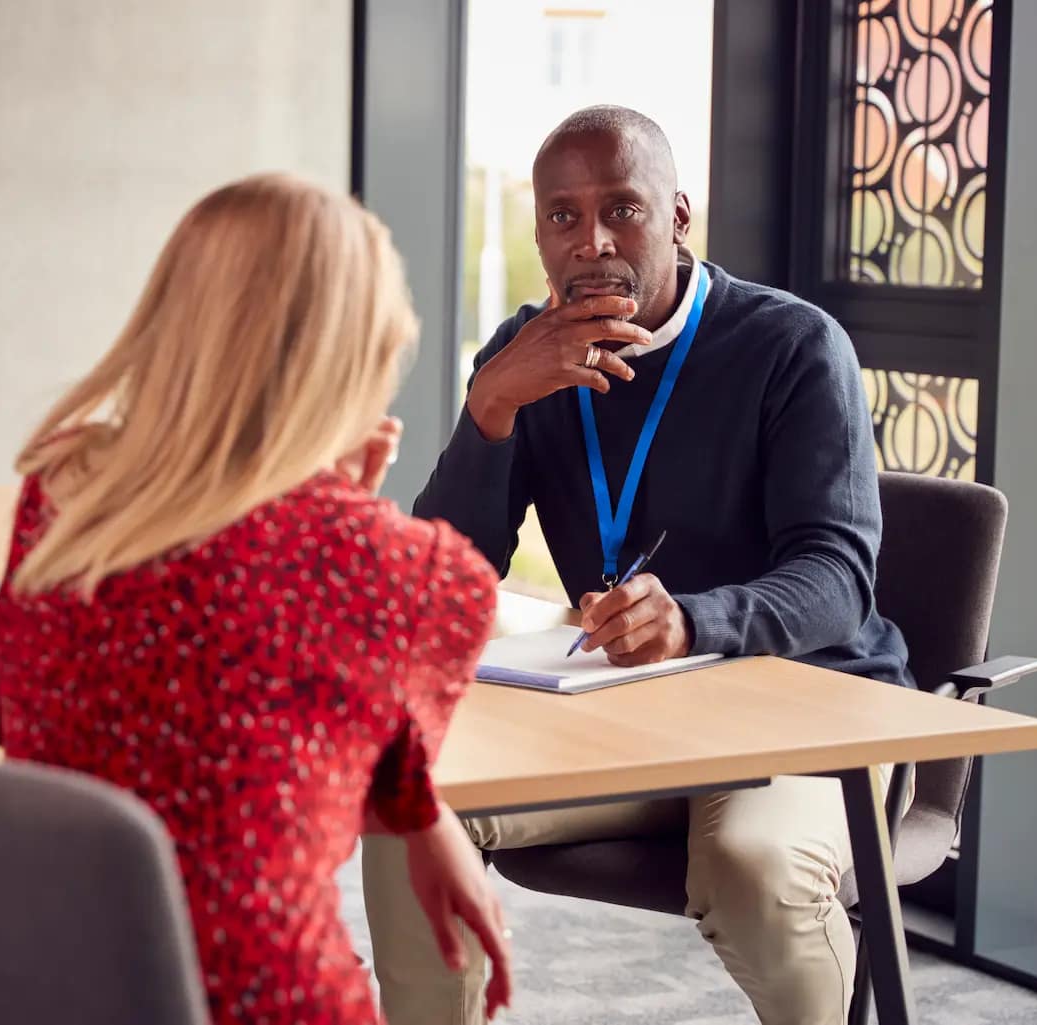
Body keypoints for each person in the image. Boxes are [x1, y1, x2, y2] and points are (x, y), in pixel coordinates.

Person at [362, 106, 914, 1025]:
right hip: (624, 718)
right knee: (407, 803)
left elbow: (838, 576)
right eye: (564, 216)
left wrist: (695, 620)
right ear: (540, 234)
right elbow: (443, 581)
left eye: (622, 208)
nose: (593, 241)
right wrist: (490, 407)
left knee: (749, 864)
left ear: (679, 217)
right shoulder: (525, 357)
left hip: (804, 715)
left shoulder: (793, 346)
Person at [0, 174, 513, 1025]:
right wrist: (354, 520)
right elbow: (362, 795)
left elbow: (31, 730)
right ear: (365, 357)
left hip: (51, 986)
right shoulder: (425, 575)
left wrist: (337, 513)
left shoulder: (65, 490)